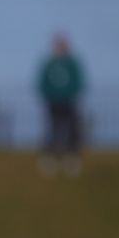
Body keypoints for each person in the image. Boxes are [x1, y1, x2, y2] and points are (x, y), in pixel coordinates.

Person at [35, 33, 85, 176]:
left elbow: (78, 83)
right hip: (53, 102)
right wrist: (50, 95)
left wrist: (69, 94)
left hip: (69, 102)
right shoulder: (49, 64)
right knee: (52, 130)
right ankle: (49, 158)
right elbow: (42, 83)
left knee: (72, 130)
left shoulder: (72, 64)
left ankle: (71, 159)